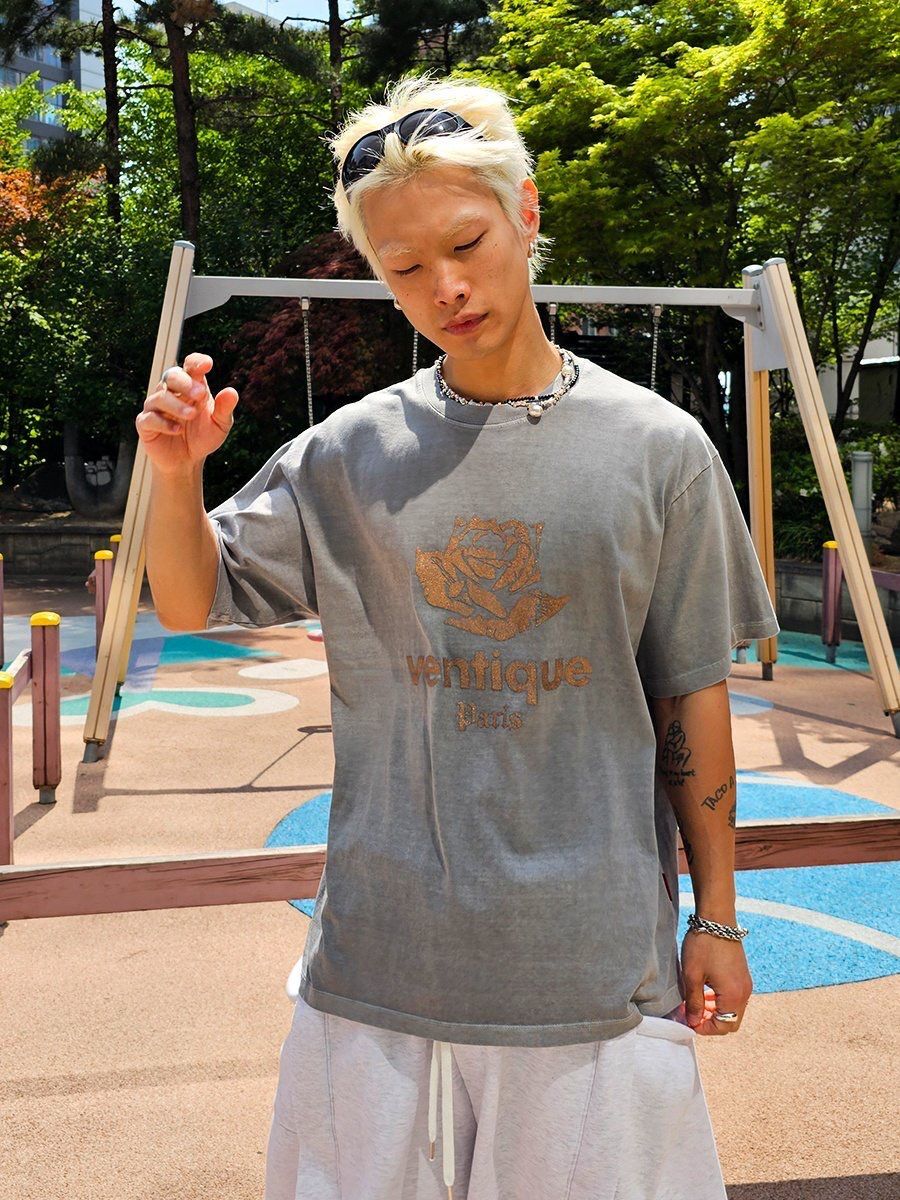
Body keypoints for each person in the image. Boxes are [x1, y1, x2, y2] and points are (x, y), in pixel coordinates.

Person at [138, 71, 780, 1200]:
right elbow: (195, 603)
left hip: (591, 972)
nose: (445, 286)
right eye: (404, 267)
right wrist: (177, 478)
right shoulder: (349, 452)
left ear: (525, 213)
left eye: (467, 243)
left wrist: (717, 919)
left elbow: (690, 695)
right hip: (380, 970)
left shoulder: (660, 449)